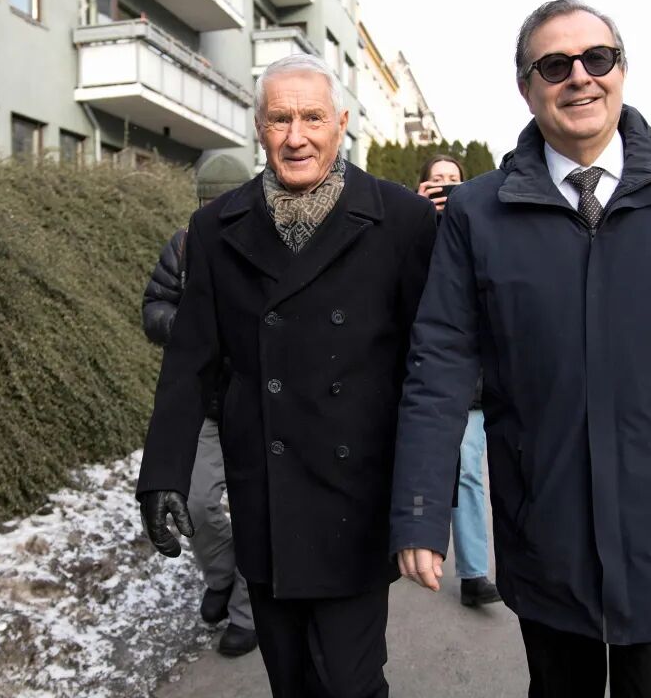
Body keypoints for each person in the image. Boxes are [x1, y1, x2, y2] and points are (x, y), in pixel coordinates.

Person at [389, 0, 651, 698]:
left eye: (597, 58)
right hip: (545, 527)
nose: (580, 77)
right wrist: (420, 508)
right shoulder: (478, 212)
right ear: (526, 87)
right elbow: (439, 366)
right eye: (555, 65)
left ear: (622, 70)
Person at [137, 53, 436, 697]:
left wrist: (423, 500)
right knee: (290, 679)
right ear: (259, 129)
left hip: (355, 494)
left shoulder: (402, 221)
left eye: (312, 118)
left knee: (351, 682)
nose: (296, 136)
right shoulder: (216, 228)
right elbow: (190, 361)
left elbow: (428, 368)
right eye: (280, 119)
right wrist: (162, 472)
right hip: (267, 493)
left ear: (342, 124)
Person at [141, 154, 257, 657]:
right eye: (210, 202)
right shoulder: (185, 245)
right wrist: (190, 328)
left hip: (256, 406)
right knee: (195, 502)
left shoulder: (267, 246)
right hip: (206, 405)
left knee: (257, 510)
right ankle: (222, 575)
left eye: (228, 201)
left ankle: (248, 613)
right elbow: (154, 306)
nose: (219, 211)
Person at [416, 155, 501, 608]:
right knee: (445, 470)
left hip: (477, 381)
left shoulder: (481, 228)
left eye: (453, 180)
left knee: (468, 473)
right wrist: (419, 220)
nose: (446, 187)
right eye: (437, 181)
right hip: (429, 380)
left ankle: (473, 573)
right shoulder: (410, 233)